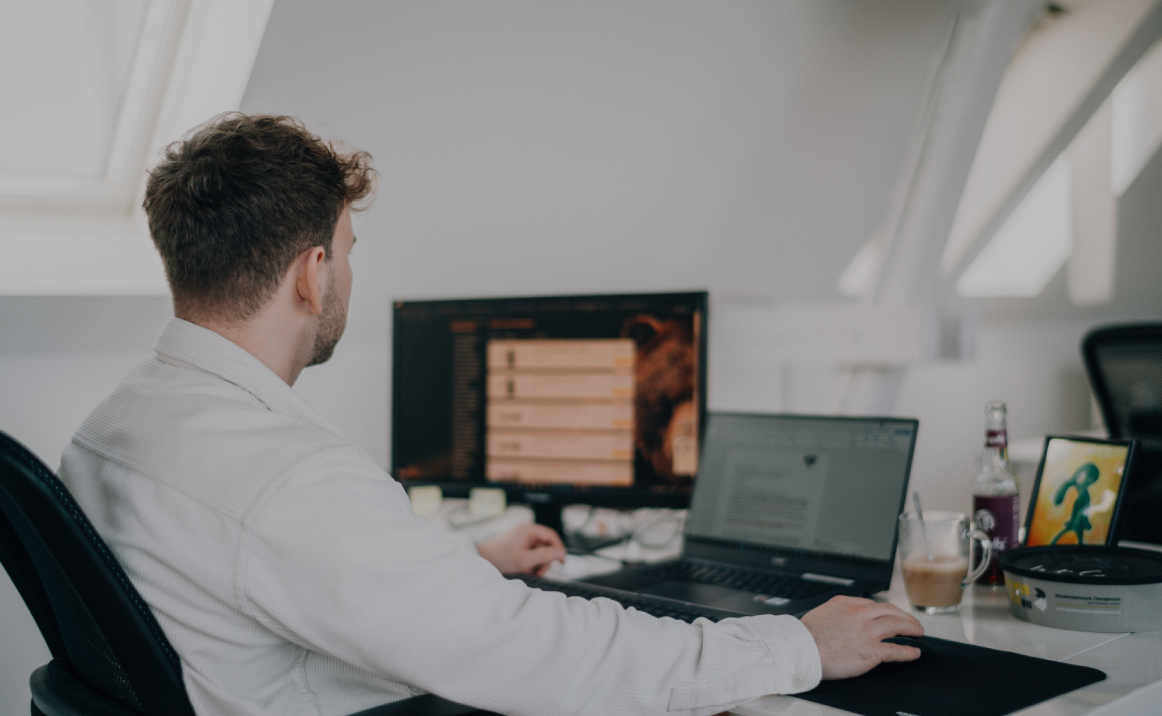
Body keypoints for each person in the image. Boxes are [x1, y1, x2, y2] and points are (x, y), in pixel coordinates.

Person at [58, 113, 923, 716]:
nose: (349, 277)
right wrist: (795, 648)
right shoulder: (290, 478)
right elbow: (530, 653)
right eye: (351, 254)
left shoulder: (117, 423)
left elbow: (259, 570)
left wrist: (462, 560)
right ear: (312, 273)